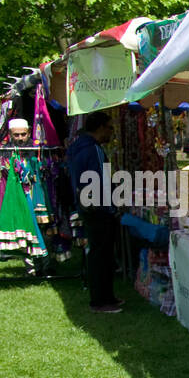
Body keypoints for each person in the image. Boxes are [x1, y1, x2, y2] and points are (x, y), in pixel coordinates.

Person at [66, 111, 119, 312]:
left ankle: (106, 297)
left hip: (87, 206)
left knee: (98, 254)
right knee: (101, 256)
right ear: (100, 128)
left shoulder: (77, 148)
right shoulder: (93, 150)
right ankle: (101, 301)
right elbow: (100, 181)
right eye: (109, 127)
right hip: (98, 208)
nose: (111, 132)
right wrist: (110, 206)